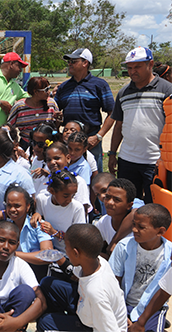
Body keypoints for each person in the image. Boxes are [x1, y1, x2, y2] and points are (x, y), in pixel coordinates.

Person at [109, 47, 172, 203]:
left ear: (150, 65)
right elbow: (119, 126)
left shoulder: (166, 90)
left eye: (137, 67)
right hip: (127, 160)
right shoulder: (123, 93)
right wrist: (112, 153)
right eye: (130, 68)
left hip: (155, 162)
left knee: (155, 207)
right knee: (127, 204)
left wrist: (163, 159)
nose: (132, 71)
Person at [37, 224, 127, 332]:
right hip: (85, 307)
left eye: (66, 247)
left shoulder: (96, 292)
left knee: (45, 322)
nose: (65, 250)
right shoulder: (96, 261)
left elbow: (110, 329)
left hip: (93, 325)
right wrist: (58, 258)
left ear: (76, 253)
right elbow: (74, 274)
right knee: (48, 283)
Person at [109, 203, 172, 332]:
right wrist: (120, 312)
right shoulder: (124, 247)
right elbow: (113, 282)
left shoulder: (170, 254)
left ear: (160, 231)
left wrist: (141, 322)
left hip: (154, 308)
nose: (134, 230)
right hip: (123, 304)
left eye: (141, 227)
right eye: (133, 224)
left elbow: (163, 293)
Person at [55, 48, 115, 172]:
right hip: (68, 142)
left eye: (73, 61)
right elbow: (54, 112)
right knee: (67, 176)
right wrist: (58, 131)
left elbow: (112, 113)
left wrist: (98, 136)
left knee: (94, 176)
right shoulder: (63, 87)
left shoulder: (99, 85)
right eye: (69, 61)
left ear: (85, 63)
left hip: (91, 140)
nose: (69, 64)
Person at [35, 169, 86, 253]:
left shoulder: (77, 208)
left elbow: (78, 239)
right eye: (66, 196)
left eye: (73, 195)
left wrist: (55, 232)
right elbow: (38, 219)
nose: (69, 200)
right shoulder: (42, 200)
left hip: (69, 255)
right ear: (52, 191)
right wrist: (36, 215)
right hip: (48, 251)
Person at [8, 77, 61, 149]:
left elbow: (55, 126)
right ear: (35, 92)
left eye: (49, 88)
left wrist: (59, 120)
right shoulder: (20, 106)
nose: (49, 92)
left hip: (47, 145)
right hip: (26, 145)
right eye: (46, 90)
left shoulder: (51, 103)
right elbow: (9, 128)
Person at [94, 178, 136, 254]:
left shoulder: (137, 229)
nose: (110, 202)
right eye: (107, 197)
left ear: (129, 205)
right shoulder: (103, 222)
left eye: (117, 200)